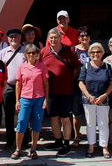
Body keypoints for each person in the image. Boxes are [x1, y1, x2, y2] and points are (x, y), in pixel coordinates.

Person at [40, 28, 80, 157]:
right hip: (50, 92)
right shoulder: (44, 52)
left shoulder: (69, 50)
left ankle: (66, 143)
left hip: (65, 91)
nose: (53, 40)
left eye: (55, 37)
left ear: (60, 38)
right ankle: (57, 141)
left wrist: (68, 81)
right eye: (51, 38)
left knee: (65, 118)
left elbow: (76, 69)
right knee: (53, 117)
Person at [79, 42, 112, 159]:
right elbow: (81, 82)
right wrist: (89, 96)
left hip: (103, 99)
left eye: (98, 52)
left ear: (102, 53)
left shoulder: (107, 67)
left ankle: (104, 146)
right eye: (93, 52)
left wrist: (105, 95)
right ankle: (91, 146)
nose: (96, 54)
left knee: (103, 123)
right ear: (90, 54)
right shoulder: (86, 66)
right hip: (89, 99)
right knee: (90, 123)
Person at [13, 44, 48, 160]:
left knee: (37, 124)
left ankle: (33, 148)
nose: (31, 55)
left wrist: (46, 100)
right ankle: (18, 149)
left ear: (37, 54)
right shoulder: (21, 67)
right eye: (29, 53)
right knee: (21, 122)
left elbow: (46, 84)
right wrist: (17, 101)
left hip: (39, 98)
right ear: (26, 55)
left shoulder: (42, 66)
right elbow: (18, 84)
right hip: (25, 98)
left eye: (33, 53)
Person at [0, 28, 27, 151]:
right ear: (8, 39)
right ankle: (10, 141)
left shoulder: (25, 51)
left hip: (23, 86)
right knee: (9, 116)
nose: (13, 39)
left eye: (16, 37)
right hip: (8, 86)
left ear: (20, 38)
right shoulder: (3, 52)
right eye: (11, 37)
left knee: (23, 115)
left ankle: (24, 142)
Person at [71, 26, 90, 147]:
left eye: (86, 35)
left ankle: (91, 137)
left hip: (90, 85)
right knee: (76, 112)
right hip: (76, 84)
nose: (84, 38)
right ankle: (77, 136)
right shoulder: (73, 50)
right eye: (81, 36)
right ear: (78, 38)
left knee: (89, 113)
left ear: (90, 37)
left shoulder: (94, 49)